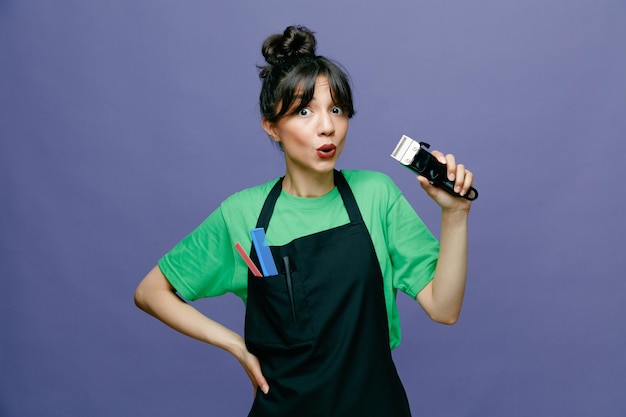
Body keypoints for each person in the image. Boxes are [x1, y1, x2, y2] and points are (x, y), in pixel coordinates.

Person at [135, 25, 475, 417]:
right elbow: (150, 292)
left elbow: (444, 309)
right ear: (271, 126)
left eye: (336, 109)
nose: (326, 126)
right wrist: (235, 345)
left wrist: (455, 214)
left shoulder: (376, 195)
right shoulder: (243, 214)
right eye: (303, 111)